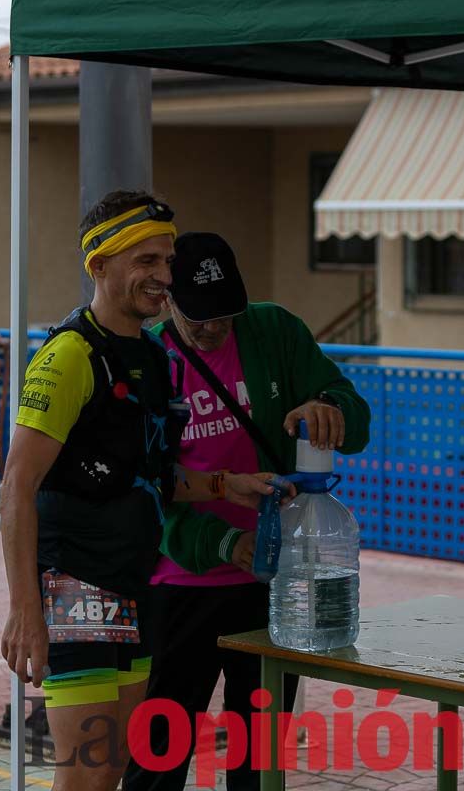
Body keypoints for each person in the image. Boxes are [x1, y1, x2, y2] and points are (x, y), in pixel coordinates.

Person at [0, 192, 280, 791]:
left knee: (120, 769)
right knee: (87, 775)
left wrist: (227, 485)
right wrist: (25, 610)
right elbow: (16, 486)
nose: (162, 276)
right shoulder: (69, 356)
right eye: (145, 261)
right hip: (77, 583)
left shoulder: (154, 355)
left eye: (166, 260)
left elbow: (148, 477)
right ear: (98, 266)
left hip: (138, 584)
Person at [123, 232, 371, 791]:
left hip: (269, 578)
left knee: (259, 752)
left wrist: (330, 409)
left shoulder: (275, 330)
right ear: (168, 300)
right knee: (160, 748)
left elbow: (353, 412)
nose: (213, 327)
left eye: (225, 314)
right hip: (180, 581)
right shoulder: (150, 360)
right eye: (199, 316)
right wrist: (218, 542)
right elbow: (144, 487)